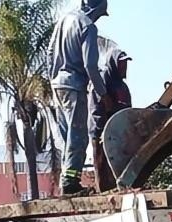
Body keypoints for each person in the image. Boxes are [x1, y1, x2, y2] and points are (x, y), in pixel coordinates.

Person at [47, 0, 109, 195]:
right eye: (100, 13)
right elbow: (90, 66)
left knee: (67, 138)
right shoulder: (88, 26)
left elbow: (49, 55)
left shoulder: (63, 21)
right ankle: (70, 183)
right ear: (95, 8)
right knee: (78, 137)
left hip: (57, 85)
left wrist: (55, 79)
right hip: (74, 86)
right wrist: (103, 94)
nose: (98, 17)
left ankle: (67, 179)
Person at [90, 45, 132, 191]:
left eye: (125, 63)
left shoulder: (122, 86)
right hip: (104, 135)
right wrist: (101, 130)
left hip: (120, 136)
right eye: (121, 63)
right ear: (114, 63)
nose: (124, 66)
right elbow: (97, 107)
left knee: (120, 171)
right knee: (103, 169)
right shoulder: (103, 79)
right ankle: (104, 194)